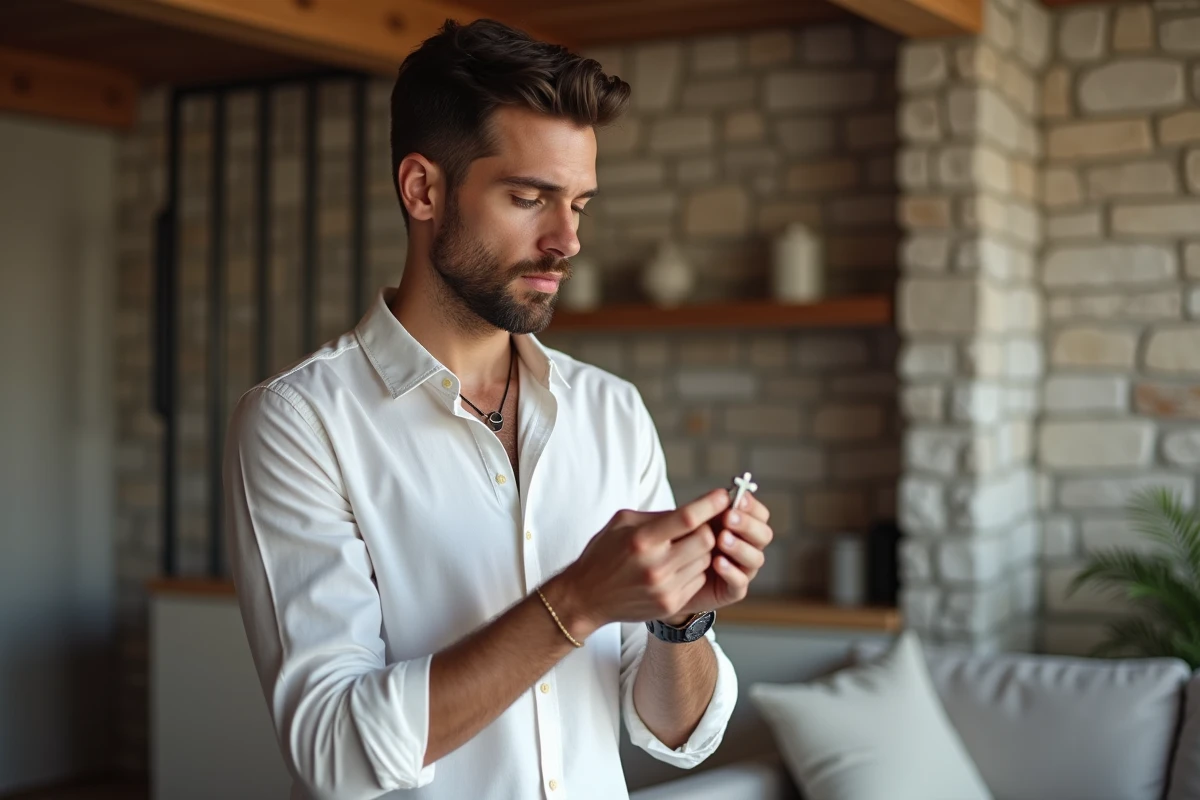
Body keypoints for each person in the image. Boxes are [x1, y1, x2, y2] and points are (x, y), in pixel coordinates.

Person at [223, 17, 774, 800]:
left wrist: (678, 620)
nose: (567, 240)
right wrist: (577, 600)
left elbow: (673, 735)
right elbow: (336, 752)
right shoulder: (298, 424)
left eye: (579, 204)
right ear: (423, 189)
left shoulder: (613, 412)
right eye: (529, 198)